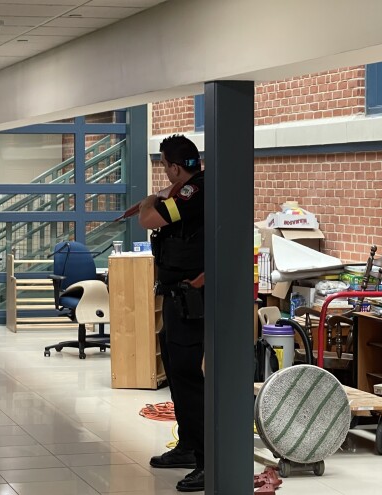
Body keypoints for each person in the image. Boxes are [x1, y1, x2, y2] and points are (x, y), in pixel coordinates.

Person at [138, 134, 205, 492]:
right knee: (178, 375)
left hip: (191, 298)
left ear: (176, 167)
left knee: (188, 377)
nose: (165, 172)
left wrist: (151, 198)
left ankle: (207, 460)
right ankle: (189, 446)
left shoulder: (192, 192)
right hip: (178, 296)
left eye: (165, 166)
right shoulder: (190, 190)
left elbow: (149, 219)